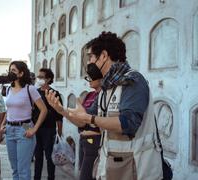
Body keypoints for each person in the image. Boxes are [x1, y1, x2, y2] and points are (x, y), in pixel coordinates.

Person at [46, 31, 163, 180]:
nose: (88, 63)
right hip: (112, 168)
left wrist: (90, 118)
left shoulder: (133, 81)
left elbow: (128, 124)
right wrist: (61, 110)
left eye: (91, 57)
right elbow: (84, 121)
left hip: (138, 169)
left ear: (104, 56)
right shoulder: (106, 88)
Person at [1, 61, 47, 180]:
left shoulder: (29, 89)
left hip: (25, 128)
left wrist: (34, 129)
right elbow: (9, 110)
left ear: (21, 73)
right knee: (15, 169)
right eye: (9, 70)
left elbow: (44, 110)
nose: (10, 73)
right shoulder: (8, 89)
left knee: (23, 169)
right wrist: (3, 124)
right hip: (10, 130)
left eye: (13, 71)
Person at [32, 68, 63, 180]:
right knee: (38, 156)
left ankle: (51, 177)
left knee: (50, 157)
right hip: (36, 129)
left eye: (42, 77)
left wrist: (59, 132)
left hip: (49, 130)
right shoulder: (35, 92)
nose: (39, 79)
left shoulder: (54, 93)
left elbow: (59, 115)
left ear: (48, 78)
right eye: (38, 76)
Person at [77, 75, 102, 180]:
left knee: (87, 175)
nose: (89, 80)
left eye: (92, 77)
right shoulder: (89, 95)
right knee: (82, 171)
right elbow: (80, 116)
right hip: (83, 139)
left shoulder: (103, 95)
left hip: (95, 141)